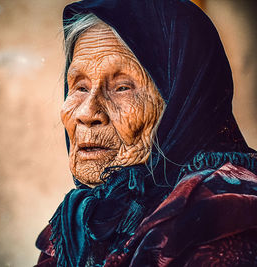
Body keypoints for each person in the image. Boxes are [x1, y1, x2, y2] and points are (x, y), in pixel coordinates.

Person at [35, 0, 257, 266]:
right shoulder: (80, 221)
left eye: (122, 87)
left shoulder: (221, 214)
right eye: (80, 87)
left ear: (183, 101)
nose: (87, 113)